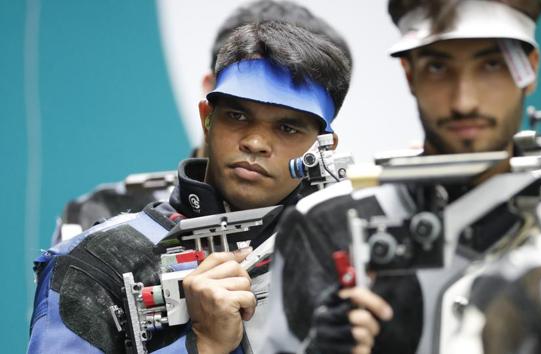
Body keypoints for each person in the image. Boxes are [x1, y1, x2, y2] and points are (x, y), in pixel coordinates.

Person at [261, 1, 541, 353]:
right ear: (409, 74)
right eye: (439, 67)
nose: (464, 100)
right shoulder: (326, 225)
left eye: (491, 65)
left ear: (529, 71)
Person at [28, 21, 389, 354]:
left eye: (288, 128)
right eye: (238, 116)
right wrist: (205, 344)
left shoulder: (367, 257)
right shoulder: (95, 262)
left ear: (324, 147)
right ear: (207, 118)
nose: (256, 142)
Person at [51, 0, 353, 244]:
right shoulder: (101, 216)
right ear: (210, 94)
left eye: (289, 122)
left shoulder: (344, 230)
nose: (256, 142)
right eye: (241, 108)